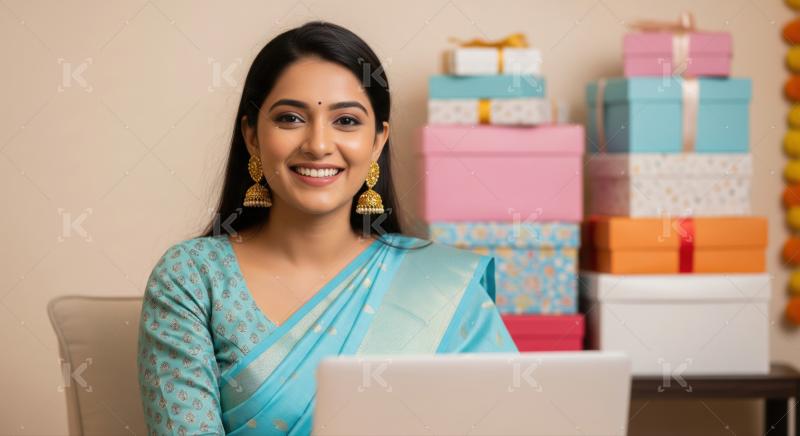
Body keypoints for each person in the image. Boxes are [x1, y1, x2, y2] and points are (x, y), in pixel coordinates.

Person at [136, 20, 518, 436]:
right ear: (252, 136)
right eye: (290, 118)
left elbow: (510, 421)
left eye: (347, 121)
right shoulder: (192, 278)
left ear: (377, 141)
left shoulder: (438, 285)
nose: (318, 144)